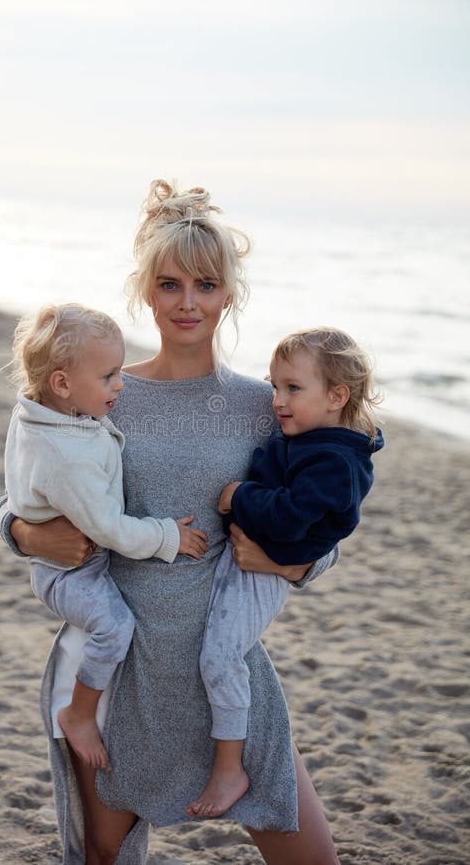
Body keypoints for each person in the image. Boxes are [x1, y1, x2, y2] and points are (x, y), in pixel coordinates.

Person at [0, 179, 342, 865]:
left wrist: (289, 563)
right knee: (106, 857)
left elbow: (322, 520)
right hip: (119, 676)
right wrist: (24, 535)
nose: (188, 302)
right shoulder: (105, 390)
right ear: (145, 291)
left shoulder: (259, 406)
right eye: (170, 283)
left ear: (229, 294)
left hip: (224, 675)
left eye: (206, 285)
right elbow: (21, 495)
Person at [189, 326, 384, 818]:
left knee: (221, 655)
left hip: (265, 571)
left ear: (337, 396)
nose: (277, 401)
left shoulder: (336, 460)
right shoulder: (311, 433)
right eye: (274, 386)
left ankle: (230, 767)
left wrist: (239, 497)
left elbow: (288, 516)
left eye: (292, 389)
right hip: (250, 558)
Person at [4, 302, 207, 772]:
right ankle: (78, 713)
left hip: (64, 561)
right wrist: (166, 537)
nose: (120, 386)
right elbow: (111, 530)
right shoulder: (67, 459)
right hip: (69, 572)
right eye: (109, 377)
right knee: (114, 626)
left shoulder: (43, 412)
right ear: (62, 384)